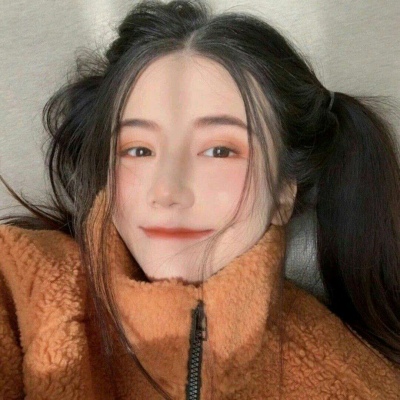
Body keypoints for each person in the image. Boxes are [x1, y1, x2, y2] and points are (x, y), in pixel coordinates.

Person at [0, 0, 399, 398]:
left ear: (283, 194)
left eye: (219, 151)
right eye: (138, 150)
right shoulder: (20, 287)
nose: (167, 191)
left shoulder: (357, 383)